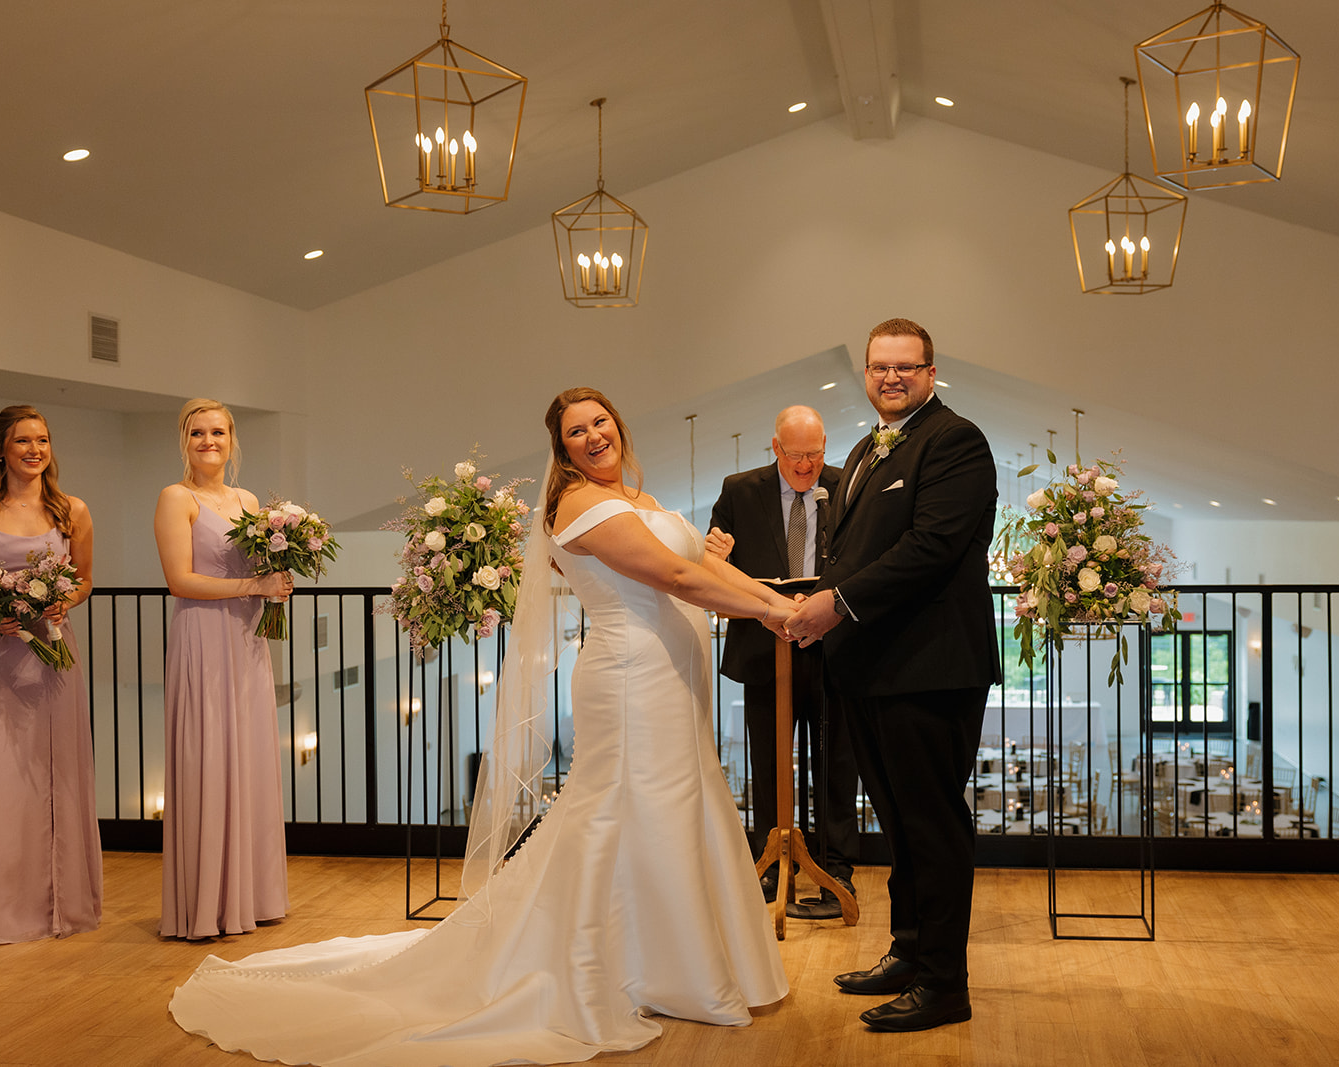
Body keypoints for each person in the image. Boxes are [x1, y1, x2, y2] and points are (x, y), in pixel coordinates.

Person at [168, 386, 791, 1065]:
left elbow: (699, 562)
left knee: (672, 810)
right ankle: (629, 964)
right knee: (625, 811)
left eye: (600, 422)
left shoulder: (640, 499)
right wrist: (780, 615)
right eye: (576, 431)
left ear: (619, 426)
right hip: (629, 678)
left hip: (672, 679)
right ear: (563, 449)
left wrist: (782, 601)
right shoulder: (581, 502)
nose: (592, 436)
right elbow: (674, 572)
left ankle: (666, 958)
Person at [785, 318, 999, 1033]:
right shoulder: (863, 448)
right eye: (880, 367)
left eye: (907, 367)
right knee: (903, 828)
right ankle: (908, 952)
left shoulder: (956, 441)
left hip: (932, 669)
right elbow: (851, 551)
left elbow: (931, 546)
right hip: (875, 669)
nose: (892, 377)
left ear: (932, 372)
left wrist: (835, 604)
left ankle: (945, 983)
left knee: (932, 826)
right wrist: (798, 603)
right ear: (866, 374)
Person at [0, 405, 99, 947]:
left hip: (51, 654)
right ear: (1, 449)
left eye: (44, 440)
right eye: (23, 441)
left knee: (48, 775)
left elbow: (84, 581)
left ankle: (53, 905)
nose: (35, 450)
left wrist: (61, 601)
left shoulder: (71, 509)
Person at [706, 404, 859, 918]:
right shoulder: (738, 490)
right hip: (764, 647)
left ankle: (836, 871)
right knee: (770, 761)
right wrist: (716, 553)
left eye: (815, 455)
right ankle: (771, 867)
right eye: (795, 455)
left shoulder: (846, 486)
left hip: (834, 646)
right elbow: (714, 561)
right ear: (775, 449)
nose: (805, 466)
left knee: (837, 763)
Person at [154, 398, 293, 939]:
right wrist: (253, 586)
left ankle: (252, 895)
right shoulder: (175, 498)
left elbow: (259, 568)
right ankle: (208, 901)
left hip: (246, 640)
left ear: (232, 440)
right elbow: (180, 581)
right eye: (197, 433)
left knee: (249, 757)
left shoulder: (248, 499)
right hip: (203, 638)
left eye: (217, 432)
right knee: (210, 755)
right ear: (184, 441)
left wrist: (277, 579)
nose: (208, 441)